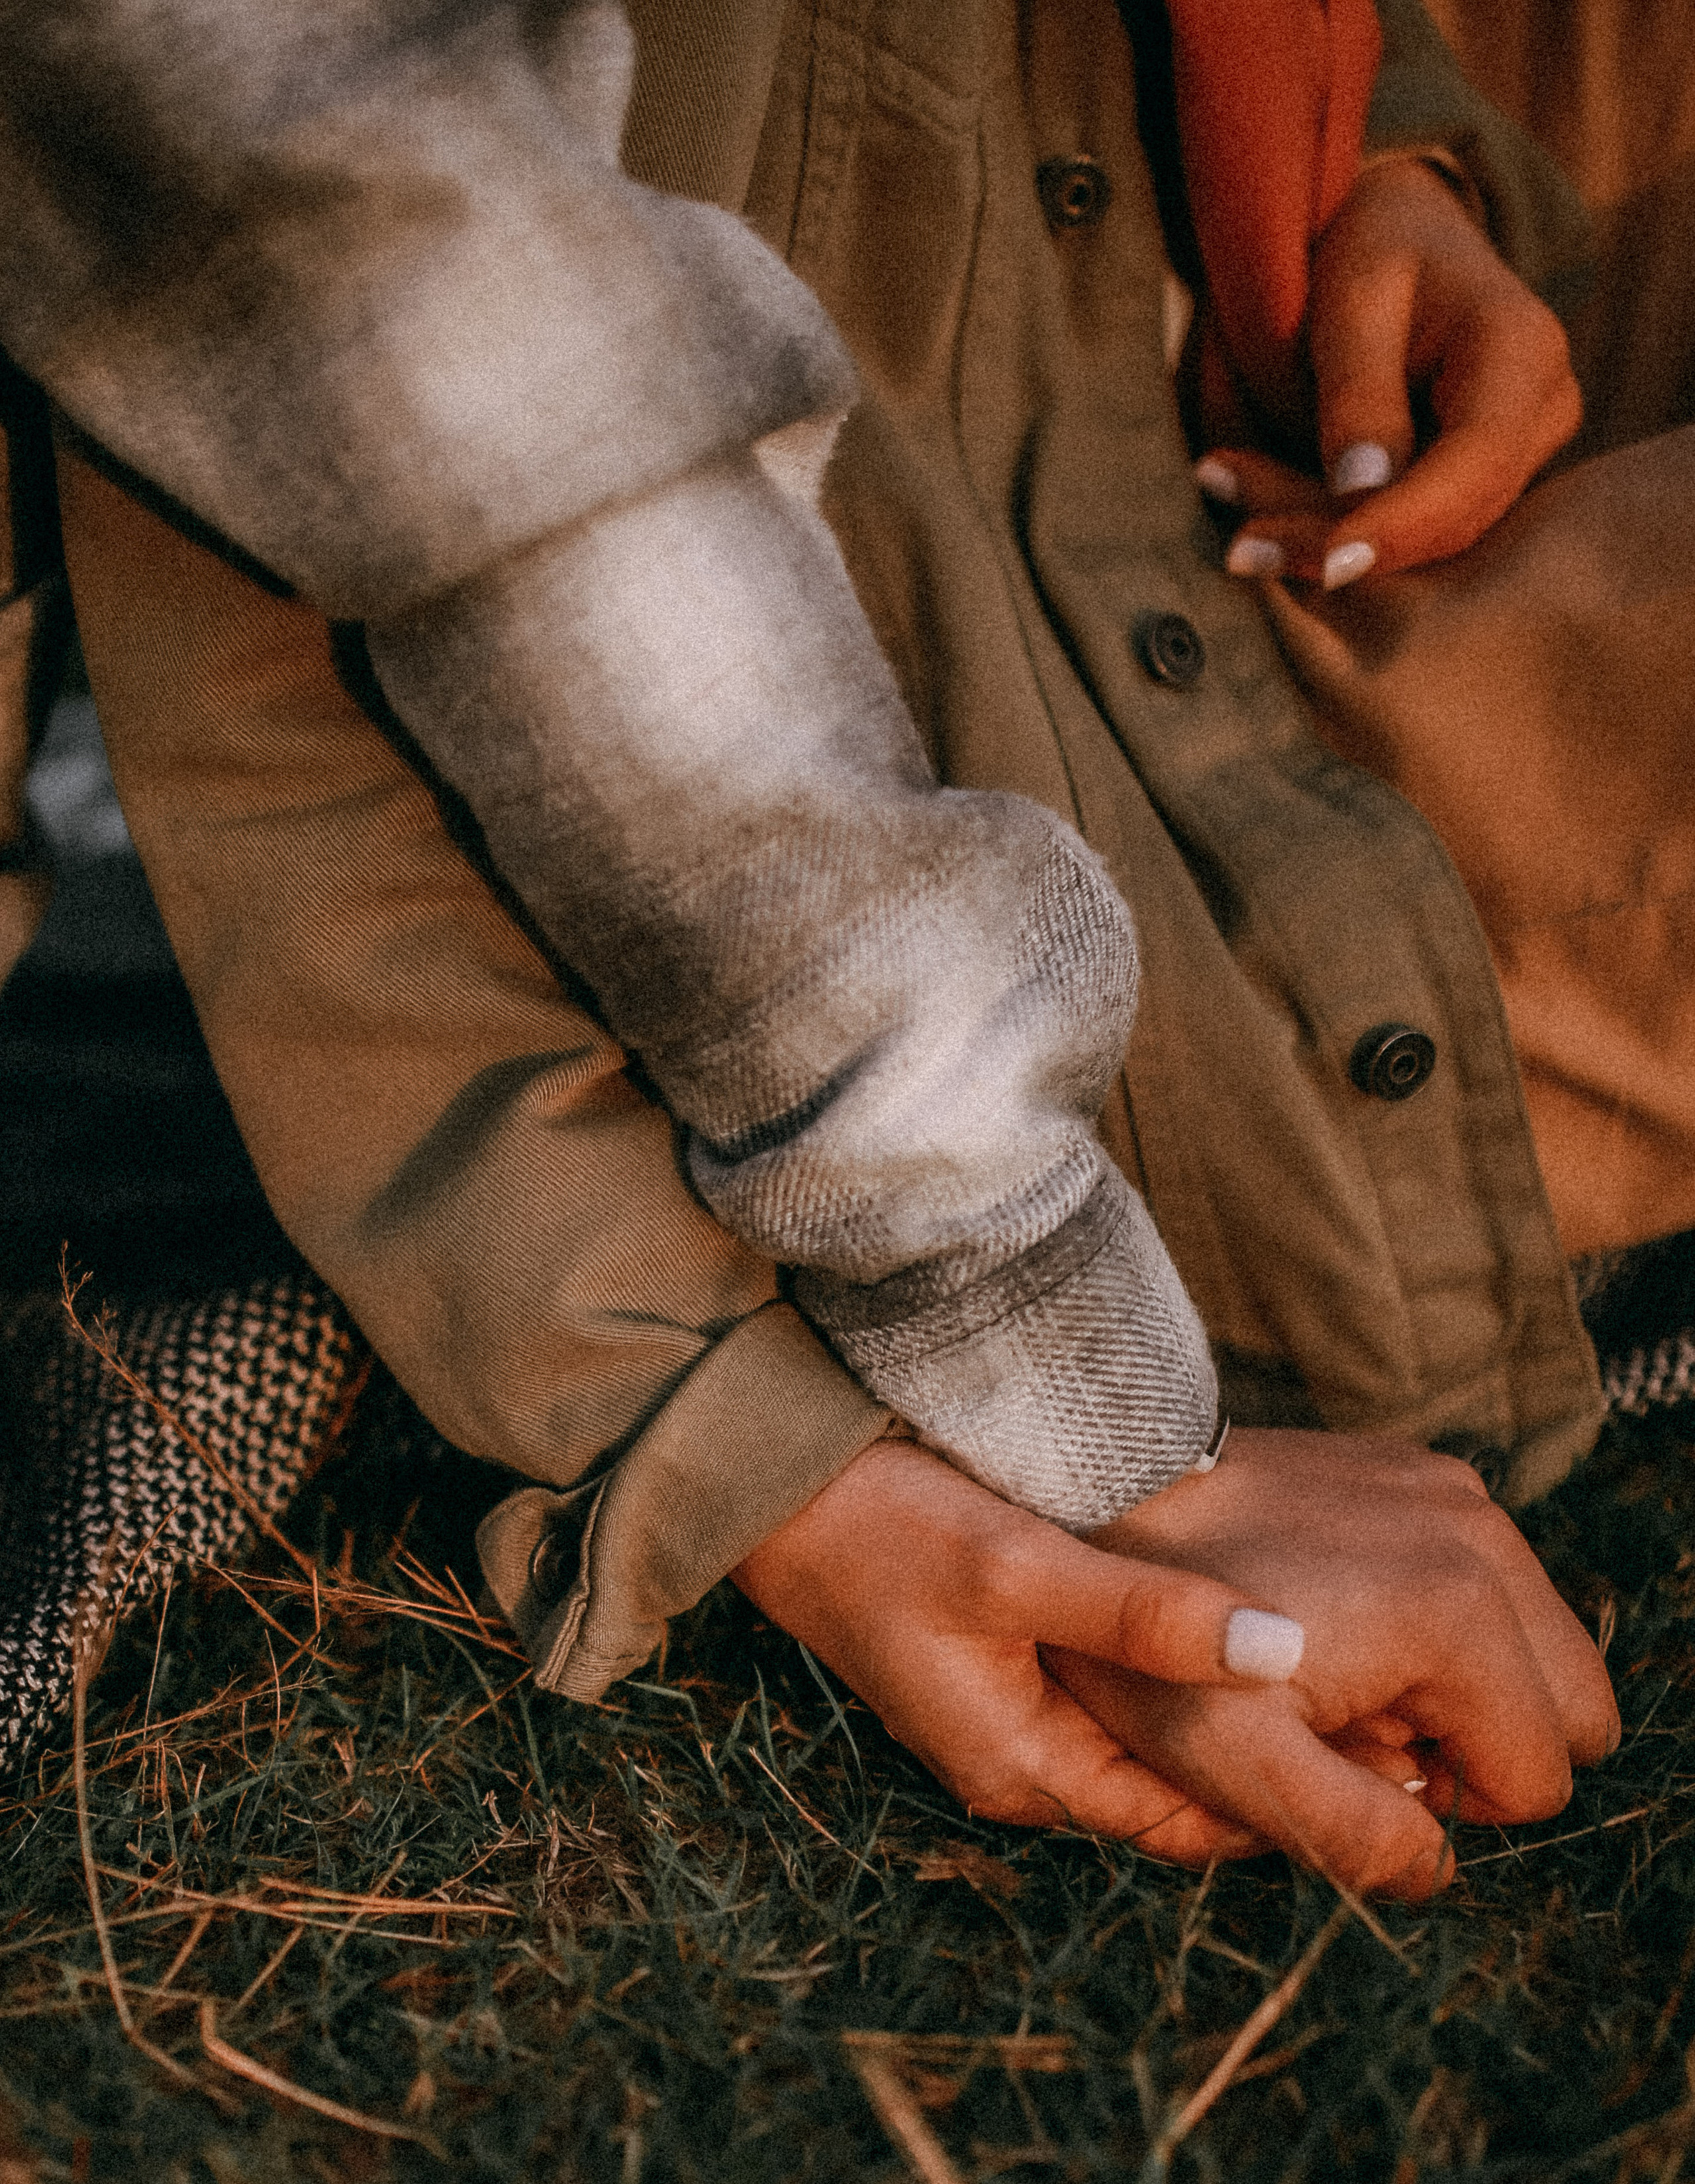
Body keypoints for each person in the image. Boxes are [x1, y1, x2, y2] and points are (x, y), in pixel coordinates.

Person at [0, 0, 1631, 1895]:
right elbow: (389, 334)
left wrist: (1373, 165)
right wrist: (1066, 1436)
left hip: (1272, 531)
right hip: (1083, 932)